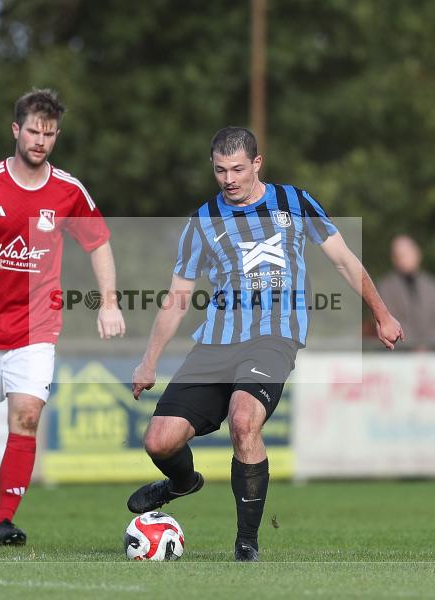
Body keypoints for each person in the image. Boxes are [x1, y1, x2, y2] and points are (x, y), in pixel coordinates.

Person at [129, 126, 403, 561]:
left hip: (274, 338)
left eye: (237, 168)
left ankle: (246, 544)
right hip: (217, 342)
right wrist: (148, 362)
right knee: (159, 442)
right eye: (220, 170)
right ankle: (181, 483)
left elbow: (344, 261)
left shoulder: (294, 202)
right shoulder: (202, 220)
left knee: (243, 422)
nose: (228, 179)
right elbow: (177, 297)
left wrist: (381, 312)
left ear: (257, 163)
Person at [0, 88, 125, 546]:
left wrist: (110, 302)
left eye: (49, 133)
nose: (40, 140)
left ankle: (3, 523)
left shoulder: (68, 190)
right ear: (16, 130)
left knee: (27, 417)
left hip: (36, 328)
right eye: (33, 131)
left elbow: (98, 243)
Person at [376, 235, 435, 348]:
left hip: (432, 353)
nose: (404, 259)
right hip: (400, 354)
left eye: (407, 253)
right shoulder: (386, 287)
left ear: (418, 254)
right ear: (393, 259)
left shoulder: (433, 286)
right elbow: (388, 320)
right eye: (399, 255)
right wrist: (412, 346)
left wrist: (429, 346)